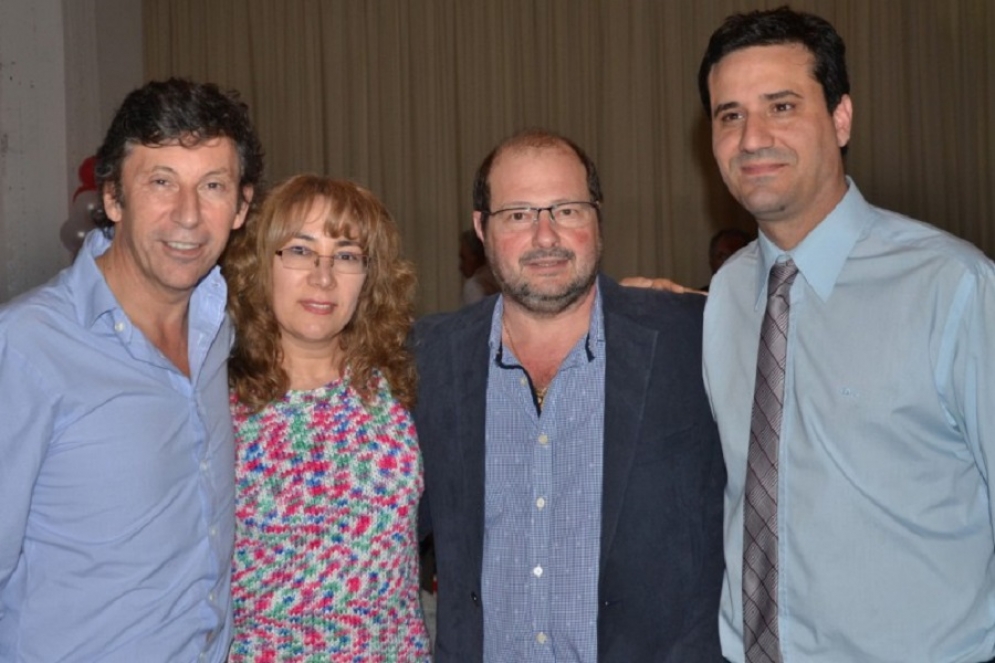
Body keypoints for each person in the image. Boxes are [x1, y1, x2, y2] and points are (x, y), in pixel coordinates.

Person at [699, 7, 995, 663]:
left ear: (840, 118)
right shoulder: (727, 296)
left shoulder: (953, 287)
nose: (751, 138)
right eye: (729, 115)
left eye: (780, 106)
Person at [412, 129, 725, 662]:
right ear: (482, 228)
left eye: (567, 210)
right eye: (518, 215)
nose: (546, 237)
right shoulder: (425, 359)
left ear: (597, 218)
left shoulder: (693, 337)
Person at [0, 78, 262, 661]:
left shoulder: (221, 330)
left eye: (213, 186)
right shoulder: (26, 349)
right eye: (161, 182)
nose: (188, 215)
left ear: (242, 207)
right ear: (113, 199)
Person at [222, 174, 431, 661]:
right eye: (299, 251)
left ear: (369, 277)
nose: (323, 276)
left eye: (347, 256)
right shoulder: (215, 403)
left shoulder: (403, 385)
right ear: (259, 265)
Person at [459, 227, 499, 305]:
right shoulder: (502, 282)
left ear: (475, 257)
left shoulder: (473, 286)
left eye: (464, 258)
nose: (460, 266)